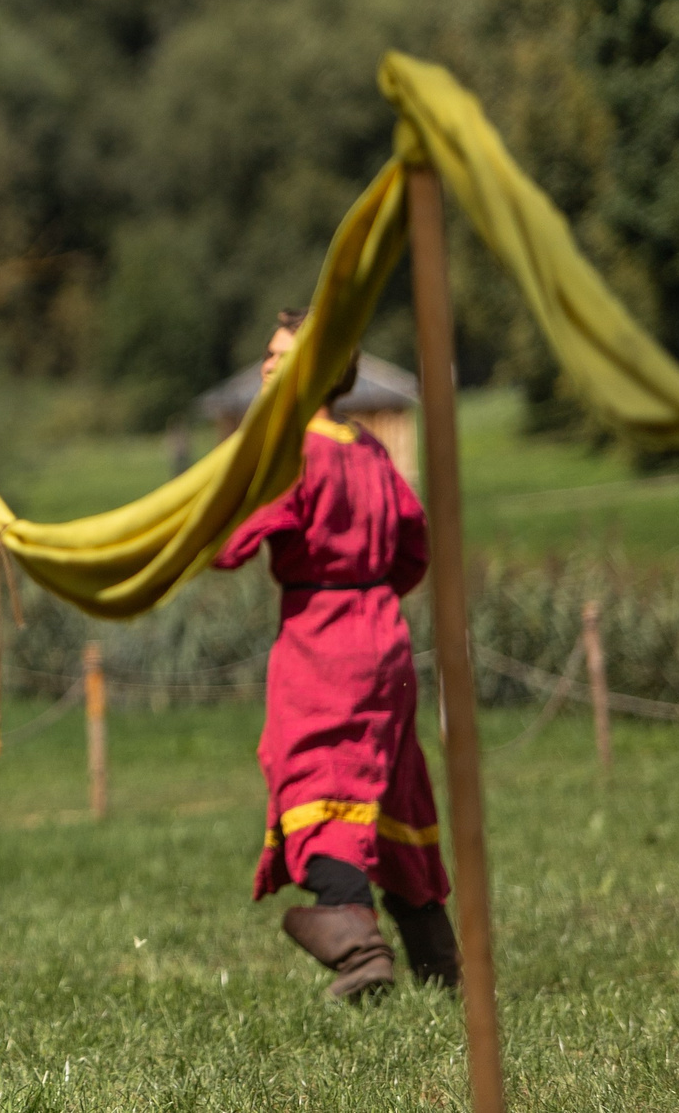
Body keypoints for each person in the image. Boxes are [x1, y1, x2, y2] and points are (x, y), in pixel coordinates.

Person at [215, 310, 458, 1002]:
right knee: (390, 784)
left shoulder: (292, 453)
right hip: (384, 635)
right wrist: (370, 592)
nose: (267, 366)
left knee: (315, 778)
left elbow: (229, 544)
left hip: (321, 642)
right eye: (267, 353)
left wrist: (167, 544)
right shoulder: (369, 449)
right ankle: (439, 961)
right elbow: (414, 548)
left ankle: (357, 944)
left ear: (316, 368)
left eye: (280, 355)